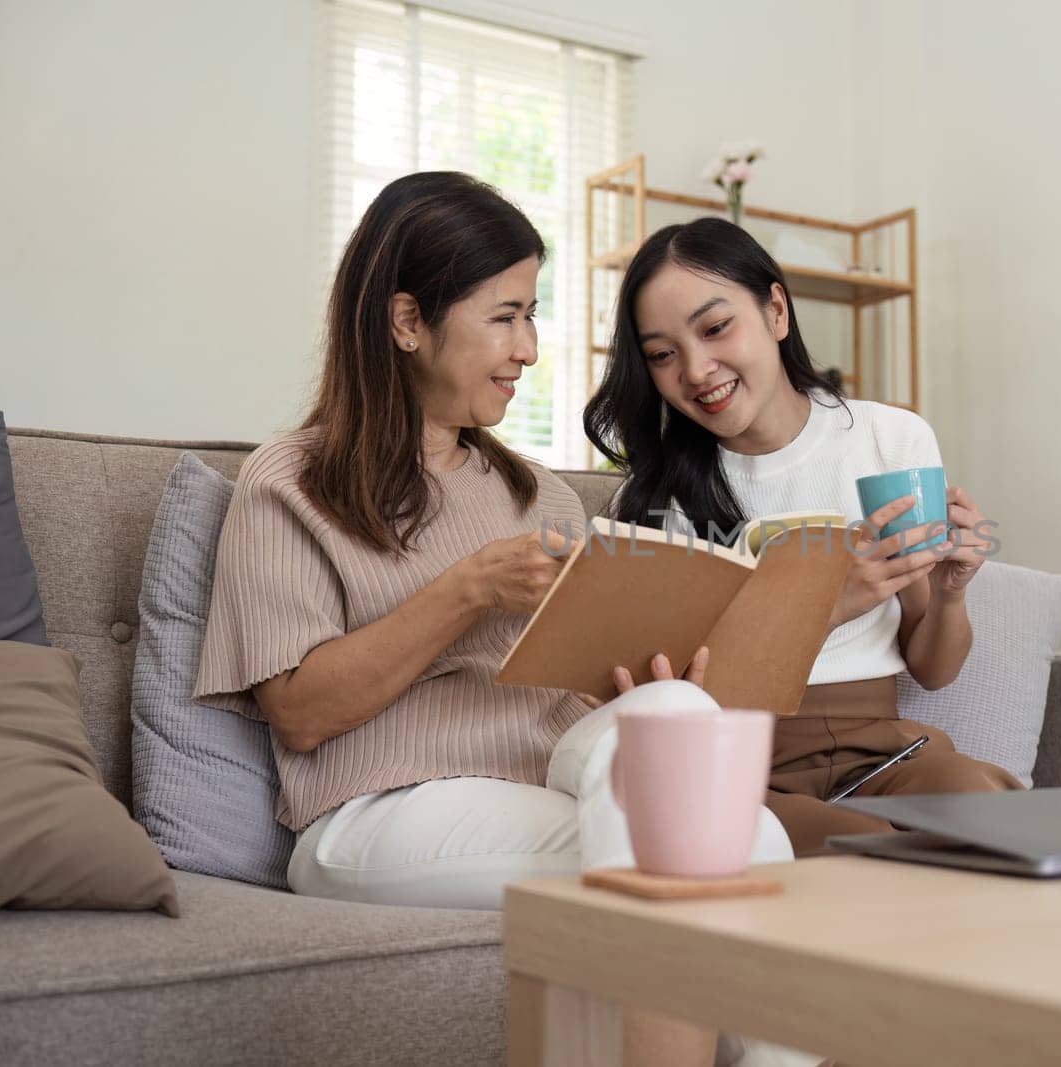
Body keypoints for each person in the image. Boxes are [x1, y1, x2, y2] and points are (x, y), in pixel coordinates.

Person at [193, 173, 792, 1067]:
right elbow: (302, 711)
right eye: (505, 316)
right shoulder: (293, 479)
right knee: (717, 851)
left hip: (548, 779)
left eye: (532, 314)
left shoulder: (536, 492)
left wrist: (642, 673)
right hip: (376, 813)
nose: (530, 348)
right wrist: (468, 589)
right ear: (406, 322)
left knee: (697, 750)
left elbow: (581, 703)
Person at [585, 217, 1022, 857]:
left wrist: (951, 594)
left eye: (715, 328)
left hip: (880, 749)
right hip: (739, 758)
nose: (697, 369)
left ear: (776, 310)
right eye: (661, 354)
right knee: (858, 850)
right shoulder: (654, 500)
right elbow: (667, 695)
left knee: (984, 807)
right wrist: (832, 599)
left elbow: (933, 669)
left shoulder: (888, 441)